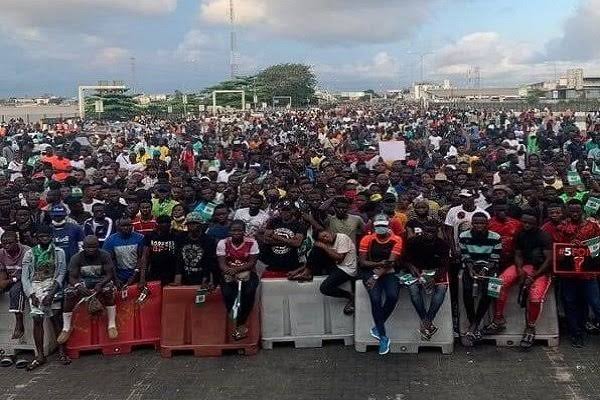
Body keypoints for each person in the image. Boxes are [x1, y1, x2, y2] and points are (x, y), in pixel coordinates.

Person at [483, 210, 553, 349]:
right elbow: (518, 254)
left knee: (535, 298)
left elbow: (548, 260)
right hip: (523, 266)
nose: (526, 225)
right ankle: (498, 319)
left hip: (541, 270)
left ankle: (531, 327)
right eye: (524, 222)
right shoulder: (520, 234)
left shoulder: (544, 236)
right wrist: (520, 269)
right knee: (496, 284)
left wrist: (533, 276)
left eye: (529, 223)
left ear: (536, 223)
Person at [20, 225, 68, 370]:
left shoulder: (59, 252)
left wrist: (52, 293)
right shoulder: (30, 253)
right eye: (41, 236)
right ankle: (40, 355)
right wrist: (31, 294)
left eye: (47, 236)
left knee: (56, 319)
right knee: (37, 319)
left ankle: (62, 351)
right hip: (35, 287)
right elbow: (25, 277)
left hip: (52, 286)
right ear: (37, 238)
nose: (44, 239)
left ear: (51, 237)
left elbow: (61, 272)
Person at [57, 236, 118, 345]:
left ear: (98, 246)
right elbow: (71, 277)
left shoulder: (105, 255)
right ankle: (66, 328)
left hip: (101, 280)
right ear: (83, 246)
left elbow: (109, 274)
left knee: (108, 290)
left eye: (94, 247)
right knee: (69, 293)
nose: (91, 249)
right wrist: (78, 286)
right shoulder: (76, 257)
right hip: (83, 281)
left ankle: (112, 325)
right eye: (88, 247)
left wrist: (101, 284)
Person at [358, 214, 403, 355]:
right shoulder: (367, 239)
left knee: (392, 296)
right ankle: (383, 337)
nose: (380, 228)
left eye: (383, 226)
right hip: (369, 272)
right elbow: (363, 262)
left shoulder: (397, 240)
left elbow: (390, 263)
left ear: (389, 226)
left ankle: (377, 326)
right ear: (373, 227)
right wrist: (378, 265)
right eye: (378, 226)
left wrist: (377, 275)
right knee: (375, 299)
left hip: (388, 272)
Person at [558, 200, 600, 347]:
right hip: (568, 273)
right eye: (571, 211)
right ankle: (576, 334)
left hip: (588, 273)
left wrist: (586, 248)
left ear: (582, 210)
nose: (575, 213)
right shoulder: (562, 227)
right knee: (571, 303)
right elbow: (559, 252)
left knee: (595, 302)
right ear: (567, 211)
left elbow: (597, 250)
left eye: (577, 210)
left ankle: (584, 328)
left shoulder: (593, 226)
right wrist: (569, 248)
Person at [459, 212, 502, 347]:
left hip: (490, 267)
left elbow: (495, 259)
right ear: (472, 223)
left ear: (487, 224)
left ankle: (474, 325)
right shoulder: (463, 236)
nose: (479, 225)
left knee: (491, 291)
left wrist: (485, 270)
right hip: (472, 266)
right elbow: (465, 257)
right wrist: (471, 269)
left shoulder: (496, 237)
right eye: (476, 223)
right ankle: (474, 323)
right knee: (467, 290)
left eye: (482, 223)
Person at [404, 221, 450, 340]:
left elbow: (445, 265)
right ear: (422, 231)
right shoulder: (412, 242)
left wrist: (434, 277)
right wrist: (411, 267)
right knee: (413, 289)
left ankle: (427, 321)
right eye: (427, 231)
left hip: (436, 270)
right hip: (417, 270)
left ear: (436, 232)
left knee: (442, 288)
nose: (429, 234)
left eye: (432, 231)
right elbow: (405, 259)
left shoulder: (443, 244)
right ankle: (427, 321)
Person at [217, 220, 260, 340]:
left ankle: (241, 324)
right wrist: (229, 271)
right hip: (229, 273)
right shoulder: (223, 243)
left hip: (247, 273)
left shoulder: (252, 242)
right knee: (228, 295)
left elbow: (252, 263)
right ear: (229, 231)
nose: (236, 232)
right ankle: (238, 323)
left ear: (244, 231)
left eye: (239, 230)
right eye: (234, 230)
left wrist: (237, 270)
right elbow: (221, 263)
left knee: (249, 292)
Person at [300, 229, 357, 314]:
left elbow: (340, 258)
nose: (326, 239)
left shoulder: (342, 238)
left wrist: (323, 246)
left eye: (325, 236)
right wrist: (298, 270)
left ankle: (350, 296)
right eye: (323, 239)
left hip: (347, 269)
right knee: (316, 249)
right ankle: (307, 272)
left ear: (329, 231)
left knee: (324, 288)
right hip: (336, 266)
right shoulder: (327, 243)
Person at [257, 201, 306, 277]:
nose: (285, 212)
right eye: (283, 210)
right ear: (280, 210)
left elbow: (297, 243)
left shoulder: (299, 225)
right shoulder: (274, 221)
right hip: (273, 263)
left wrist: (276, 237)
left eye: (288, 210)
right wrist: (290, 241)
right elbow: (266, 240)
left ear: (293, 211)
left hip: (291, 265)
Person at [0, 231, 30, 341]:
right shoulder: (1, 253)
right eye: (4, 243)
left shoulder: (27, 251)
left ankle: (19, 324)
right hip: (10, 278)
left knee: (15, 290)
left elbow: (28, 274)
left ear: (17, 242)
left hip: (25, 278)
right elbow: (2, 274)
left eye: (10, 243)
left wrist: (13, 279)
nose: (6, 246)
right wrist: (5, 282)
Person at [174, 212, 218, 286]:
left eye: (194, 223)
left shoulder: (208, 240)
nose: (191, 225)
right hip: (185, 275)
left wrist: (206, 279)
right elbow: (179, 259)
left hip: (202, 275)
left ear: (200, 225)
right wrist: (178, 277)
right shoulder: (181, 237)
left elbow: (209, 262)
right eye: (189, 223)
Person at [102, 217, 145, 287]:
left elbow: (141, 258)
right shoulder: (110, 240)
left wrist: (135, 275)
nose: (126, 228)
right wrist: (115, 279)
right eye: (123, 226)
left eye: (129, 225)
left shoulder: (140, 238)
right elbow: (109, 262)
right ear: (118, 226)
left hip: (136, 275)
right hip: (118, 277)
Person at [141, 215, 179, 286]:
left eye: (166, 222)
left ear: (170, 224)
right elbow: (145, 257)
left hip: (172, 273)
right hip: (154, 272)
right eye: (162, 223)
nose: (164, 225)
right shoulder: (150, 236)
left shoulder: (176, 235)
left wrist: (178, 277)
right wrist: (142, 279)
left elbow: (179, 258)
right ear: (157, 224)